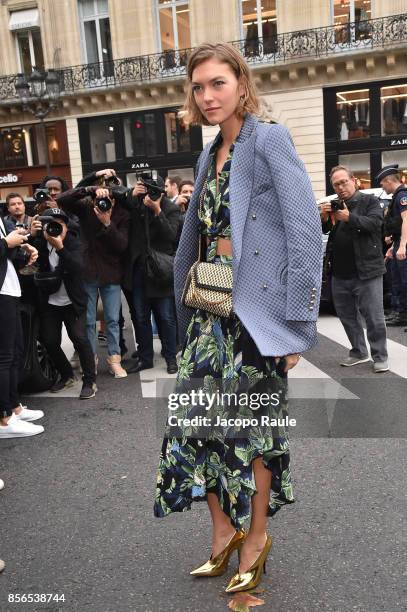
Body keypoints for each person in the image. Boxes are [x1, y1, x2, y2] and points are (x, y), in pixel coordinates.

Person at [154, 42, 323, 594]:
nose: (207, 96)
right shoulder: (209, 154)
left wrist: (295, 322)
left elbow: (304, 235)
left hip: (254, 317)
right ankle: (222, 530)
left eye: (217, 84)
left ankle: (255, 537)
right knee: (195, 428)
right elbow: (195, 237)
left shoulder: (269, 140)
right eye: (198, 87)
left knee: (251, 433)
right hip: (210, 311)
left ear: (242, 84)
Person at [57, 184, 130, 378]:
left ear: (115, 198)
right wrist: (91, 189)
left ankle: (115, 359)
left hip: (111, 274)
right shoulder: (86, 209)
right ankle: (90, 360)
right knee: (88, 321)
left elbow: (122, 246)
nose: (105, 202)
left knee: (113, 320)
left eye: (109, 197)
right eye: (102, 197)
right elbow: (63, 199)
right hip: (87, 272)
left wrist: (107, 223)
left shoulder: (122, 214)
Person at [320, 165, 388, 372]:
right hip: (340, 273)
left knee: (374, 317)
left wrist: (350, 218)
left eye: (344, 182)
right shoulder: (336, 205)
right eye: (336, 184)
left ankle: (380, 356)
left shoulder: (370, 201)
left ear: (354, 181)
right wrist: (325, 219)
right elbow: (327, 232)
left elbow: (374, 224)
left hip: (367, 271)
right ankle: (358, 352)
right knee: (347, 316)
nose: (340, 187)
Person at [32, 208, 97, 399]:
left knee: (80, 339)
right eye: (50, 224)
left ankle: (89, 381)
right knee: (50, 341)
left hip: (73, 301)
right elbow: (31, 262)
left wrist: (60, 247)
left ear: (66, 227)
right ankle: (67, 375)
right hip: (50, 302)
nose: (55, 228)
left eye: (60, 224)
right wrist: (33, 235)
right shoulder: (41, 243)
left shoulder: (74, 243)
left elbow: (79, 268)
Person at [122, 173, 180, 374]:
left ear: (163, 193)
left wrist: (157, 211)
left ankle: (171, 357)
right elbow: (119, 200)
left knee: (166, 317)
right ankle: (145, 358)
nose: (152, 195)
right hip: (139, 271)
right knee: (141, 317)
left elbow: (171, 236)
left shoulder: (170, 209)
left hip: (161, 272)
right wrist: (131, 194)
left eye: (156, 192)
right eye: (149, 191)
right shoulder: (137, 205)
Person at [0, 216, 44, 438]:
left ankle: (14, 407)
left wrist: (23, 252)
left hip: (10, 289)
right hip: (2, 293)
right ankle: (4, 419)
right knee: (4, 357)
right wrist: (7, 243)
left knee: (15, 352)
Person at [378, 164, 407, 329]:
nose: (382, 186)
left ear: (389, 181)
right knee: (397, 280)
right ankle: (401, 313)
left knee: (404, 281)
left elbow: (406, 220)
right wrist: (394, 246)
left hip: (404, 245)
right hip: (398, 243)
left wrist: (402, 245)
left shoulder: (402, 195)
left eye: (382, 183)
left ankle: (402, 313)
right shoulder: (397, 196)